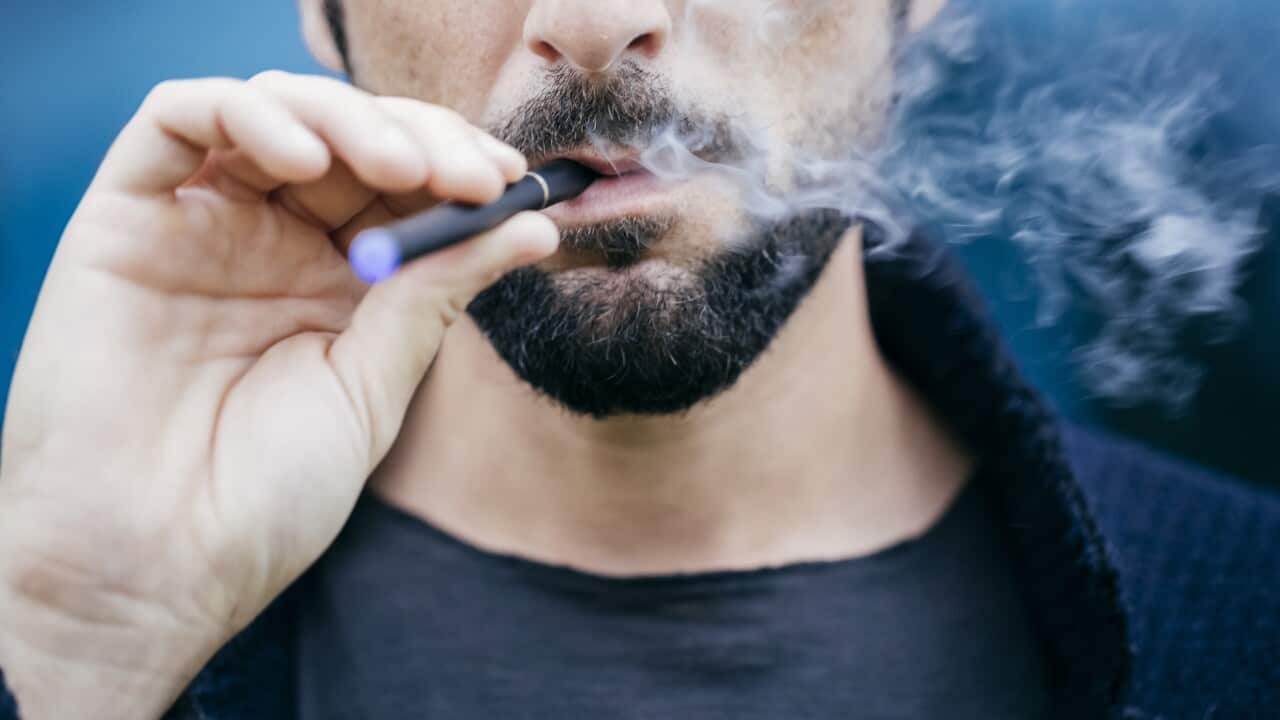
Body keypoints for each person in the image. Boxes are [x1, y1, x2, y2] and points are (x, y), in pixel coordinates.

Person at [0, 0, 1276, 718]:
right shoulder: (75, 630)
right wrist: (81, 668)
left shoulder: (1249, 623)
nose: (599, 20)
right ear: (319, 17)